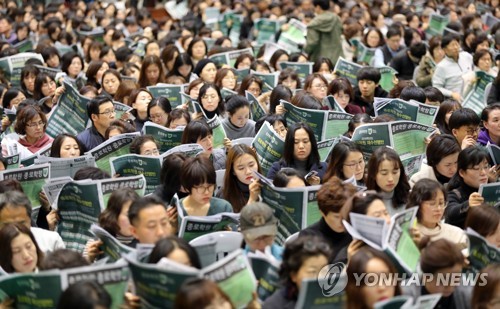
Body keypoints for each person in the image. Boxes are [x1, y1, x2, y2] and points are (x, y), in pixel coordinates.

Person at [262, 235, 331, 308]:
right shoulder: (273, 306)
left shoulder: (339, 298)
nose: (320, 278)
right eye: (312, 272)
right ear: (293, 276)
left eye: (324, 271)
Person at [402, 238, 471, 309]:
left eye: (456, 277)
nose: (451, 285)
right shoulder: (405, 295)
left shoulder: (466, 290)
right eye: (443, 280)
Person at [300, 177, 356, 264]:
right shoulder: (308, 237)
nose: (343, 221)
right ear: (322, 212)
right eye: (337, 217)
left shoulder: (355, 232)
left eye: (347, 215)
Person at [408, 179, 468, 249]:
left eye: (441, 203)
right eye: (432, 204)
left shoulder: (457, 234)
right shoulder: (412, 235)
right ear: (417, 205)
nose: (439, 209)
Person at [0, 191, 65, 253]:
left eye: (21, 223)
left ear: (29, 220)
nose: (15, 229)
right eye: (7, 225)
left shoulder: (52, 241)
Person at [446, 146, 494, 228]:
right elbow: (450, 213)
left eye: (486, 167)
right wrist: (468, 204)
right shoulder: (455, 194)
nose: (483, 173)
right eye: (476, 168)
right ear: (462, 172)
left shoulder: (492, 187)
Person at [366, 146, 410, 215]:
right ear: (373, 174)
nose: (390, 179)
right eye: (384, 173)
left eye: (395, 172)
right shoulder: (364, 203)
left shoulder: (409, 197)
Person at [432, 33, 474, 102]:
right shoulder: (441, 67)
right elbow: (436, 87)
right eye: (452, 45)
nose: (455, 47)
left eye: (457, 44)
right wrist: (451, 94)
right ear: (444, 49)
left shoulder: (467, 56)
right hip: (454, 101)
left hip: (470, 97)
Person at [221, 145, 262, 213]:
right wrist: (252, 199)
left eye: (251, 165)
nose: (248, 172)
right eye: (241, 168)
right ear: (233, 171)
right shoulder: (225, 194)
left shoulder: (266, 187)